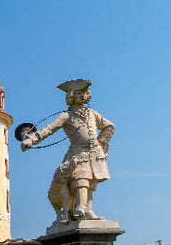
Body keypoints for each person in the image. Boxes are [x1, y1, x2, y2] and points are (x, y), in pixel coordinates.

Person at [20, 78, 115, 222]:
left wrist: (101, 143)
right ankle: (80, 207)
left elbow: (109, 126)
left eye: (84, 93)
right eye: (78, 93)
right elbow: (49, 129)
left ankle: (88, 209)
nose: (82, 96)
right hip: (78, 152)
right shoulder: (66, 116)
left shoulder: (92, 113)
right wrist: (31, 140)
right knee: (81, 178)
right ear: (71, 96)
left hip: (94, 153)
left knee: (91, 182)